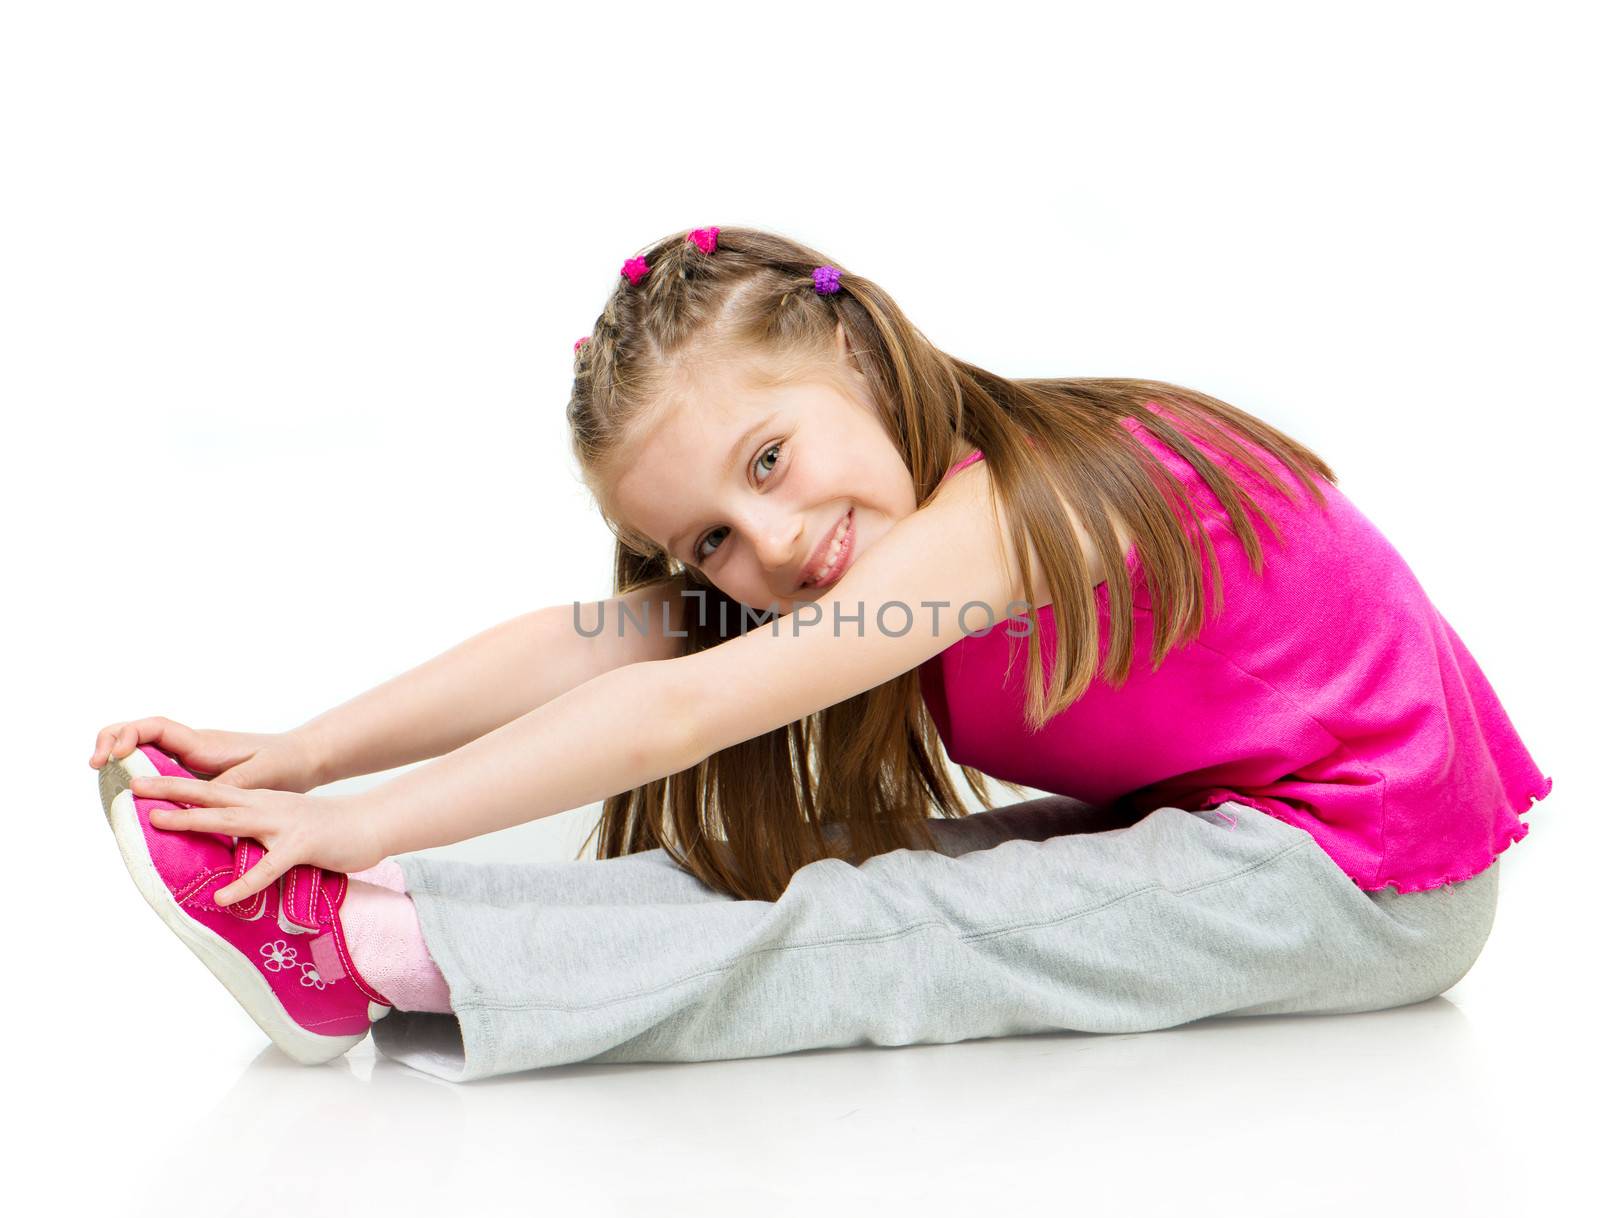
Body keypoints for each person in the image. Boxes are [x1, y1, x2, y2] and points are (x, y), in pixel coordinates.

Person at [89, 225, 1553, 1082]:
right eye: (710, 541)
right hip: (1233, 822)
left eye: (771, 458)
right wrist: (305, 756)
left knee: (895, 925)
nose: (770, 546)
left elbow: (685, 712)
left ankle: (361, 952)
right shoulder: (865, 547)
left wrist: (332, 829)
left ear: (861, 358)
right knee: (808, 862)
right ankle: (399, 910)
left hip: (1372, 878)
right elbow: (589, 646)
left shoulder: (1003, 522)